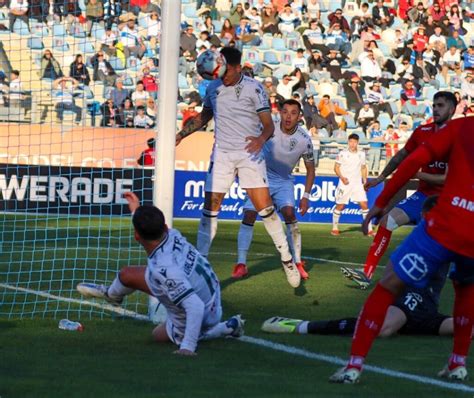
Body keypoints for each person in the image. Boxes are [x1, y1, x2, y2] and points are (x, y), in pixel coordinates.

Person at [330, 115, 474, 384]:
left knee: (389, 284)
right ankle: (457, 363)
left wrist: (382, 201)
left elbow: (413, 160)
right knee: (466, 289)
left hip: (445, 225)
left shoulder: (462, 126)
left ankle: (354, 365)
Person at [175, 47, 302, 288]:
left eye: (224, 71)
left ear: (235, 67)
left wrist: (260, 140)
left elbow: (268, 126)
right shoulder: (213, 87)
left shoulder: (255, 88)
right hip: (221, 153)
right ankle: (199, 267)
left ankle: (287, 259)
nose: (221, 76)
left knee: (264, 209)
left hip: (249, 154)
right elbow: (204, 117)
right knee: (209, 209)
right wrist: (182, 134)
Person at [77, 192, 245, 356]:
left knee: (158, 335)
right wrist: (136, 209)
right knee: (126, 275)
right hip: (210, 292)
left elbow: (195, 307)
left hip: (203, 310)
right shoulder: (172, 234)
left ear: (137, 236)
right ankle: (112, 295)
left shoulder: (164, 268)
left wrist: (187, 347)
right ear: (164, 227)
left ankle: (223, 329)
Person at [341, 91, 457, 288]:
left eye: (441, 106)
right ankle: (366, 273)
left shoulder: (457, 137)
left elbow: (447, 178)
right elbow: (401, 156)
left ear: (452, 110)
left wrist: (415, 173)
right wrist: (380, 177)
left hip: (446, 200)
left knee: (440, 249)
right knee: (387, 222)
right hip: (422, 195)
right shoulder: (423, 131)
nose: (436, 109)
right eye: (434, 105)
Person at [233, 99, 315, 280]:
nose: (288, 116)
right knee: (249, 215)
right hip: (261, 177)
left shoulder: (304, 140)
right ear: (280, 113)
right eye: (285, 111)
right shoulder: (269, 128)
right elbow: (248, 145)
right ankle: (241, 263)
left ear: (299, 116)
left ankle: (298, 262)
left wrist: (306, 196)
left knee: (289, 214)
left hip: (284, 181)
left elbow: (310, 169)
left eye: (293, 113)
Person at [331, 133, 373, 237]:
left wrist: (365, 181)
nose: (352, 144)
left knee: (364, 204)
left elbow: (363, 168)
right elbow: (336, 167)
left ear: (357, 143)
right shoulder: (342, 153)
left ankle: (369, 229)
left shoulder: (362, 154)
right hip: (345, 184)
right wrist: (342, 177)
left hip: (357, 184)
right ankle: (335, 228)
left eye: (354, 142)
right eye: (351, 142)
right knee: (341, 206)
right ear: (348, 142)